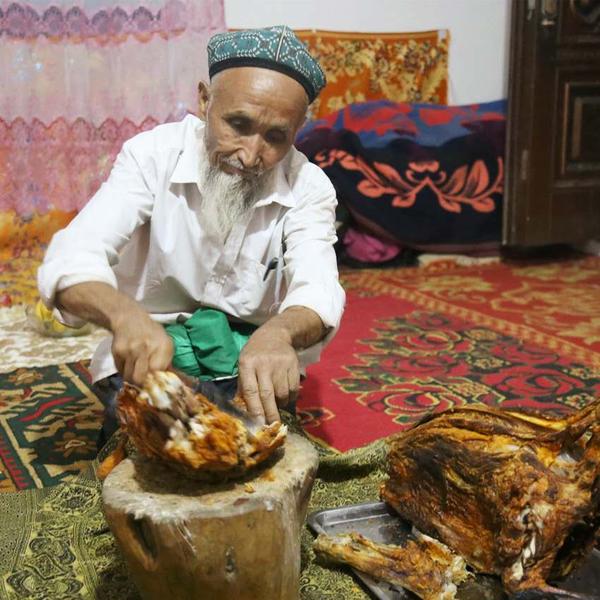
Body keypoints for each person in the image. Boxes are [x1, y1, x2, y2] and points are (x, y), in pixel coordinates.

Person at [37, 25, 345, 447]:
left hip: (252, 362)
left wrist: (280, 334)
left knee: (260, 458)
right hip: (150, 359)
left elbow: (319, 288)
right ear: (205, 100)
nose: (250, 155)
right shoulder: (151, 157)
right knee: (160, 458)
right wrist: (125, 317)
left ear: (298, 128)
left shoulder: (309, 187)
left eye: (276, 137)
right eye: (237, 124)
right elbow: (71, 256)